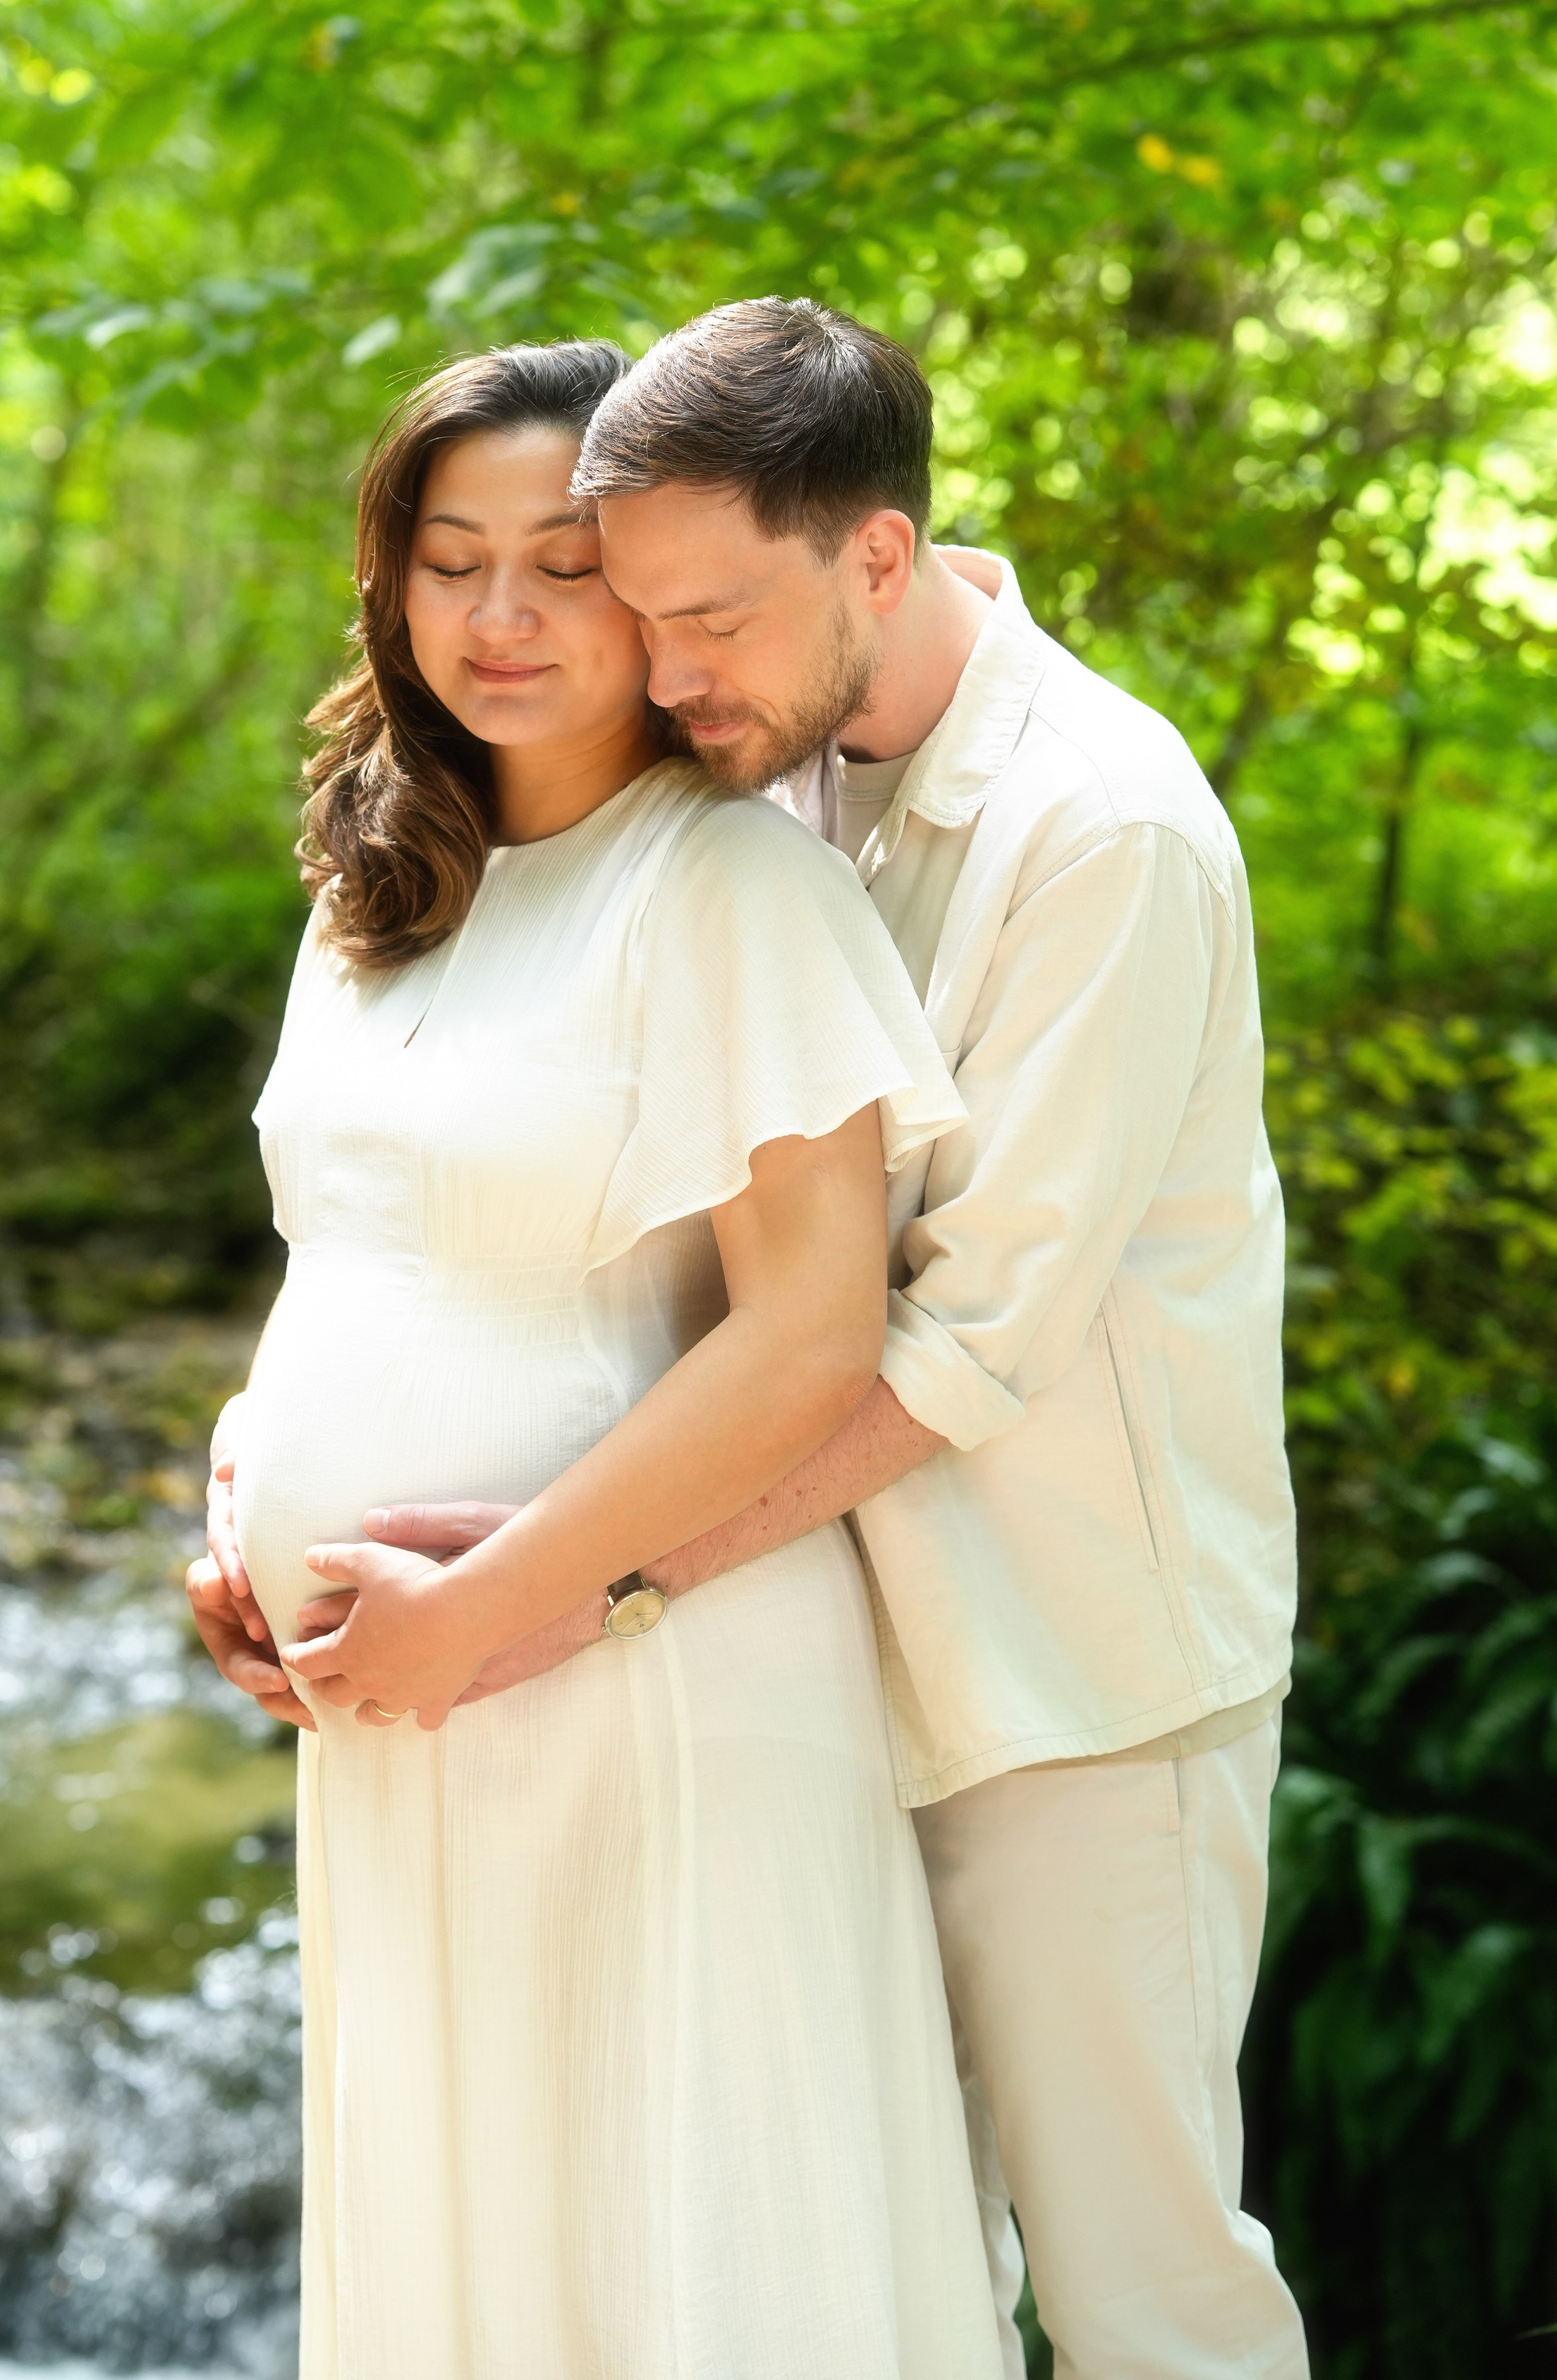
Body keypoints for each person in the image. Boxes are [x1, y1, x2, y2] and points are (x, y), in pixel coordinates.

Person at [207, 298, 1311, 2378]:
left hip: (1066, 1668)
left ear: (874, 557)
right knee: (885, 2273)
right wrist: (269, 1485)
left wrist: (554, 1598)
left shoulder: (1106, 832)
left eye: (696, 616)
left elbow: (956, 1339)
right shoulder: (773, 759)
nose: (667, 665)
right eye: (652, 614)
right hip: (810, 1646)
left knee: (1144, 2288)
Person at [188, 336, 1003, 2380]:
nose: (496, 616)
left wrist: (490, 1601)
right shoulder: (378, 894)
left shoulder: (731, 887)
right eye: (447, 562)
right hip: (401, 1700)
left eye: (560, 565)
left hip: (626, 1677)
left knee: (670, 2243)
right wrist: (238, 1510)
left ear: (649, 591)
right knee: (475, 2239)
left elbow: (816, 1331)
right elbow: (352, 1262)